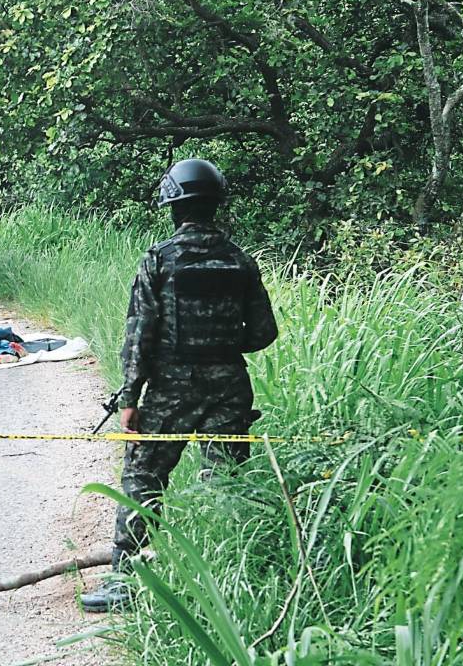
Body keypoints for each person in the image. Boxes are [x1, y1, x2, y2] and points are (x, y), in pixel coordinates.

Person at [80, 159, 278, 613]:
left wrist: (130, 398)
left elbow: (139, 335)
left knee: (143, 479)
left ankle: (127, 583)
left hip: (170, 388)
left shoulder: (159, 259)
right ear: (216, 205)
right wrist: (227, 345)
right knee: (226, 483)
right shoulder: (240, 261)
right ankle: (232, 577)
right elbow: (264, 332)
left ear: (173, 205)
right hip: (229, 387)